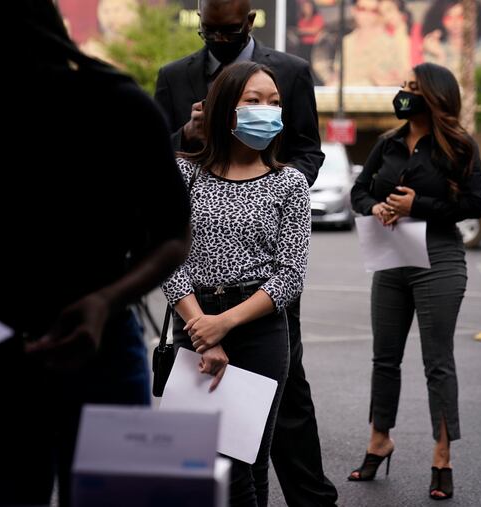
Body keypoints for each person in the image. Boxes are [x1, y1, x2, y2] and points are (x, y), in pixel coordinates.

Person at [0, 1, 191, 505]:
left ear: (14, 25)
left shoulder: (118, 106)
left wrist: (105, 301)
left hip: (100, 348)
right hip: (1, 357)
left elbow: (173, 237)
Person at [155, 2, 338, 506]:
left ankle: (313, 498)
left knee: (249, 453)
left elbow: (289, 274)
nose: (267, 111)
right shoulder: (184, 159)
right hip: (195, 319)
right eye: (254, 101)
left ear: (249, 22)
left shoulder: (289, 182)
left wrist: (227, 323)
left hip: (258, 317)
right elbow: (168, 250)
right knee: (201, 460)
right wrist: (202, 328)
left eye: (273, 102)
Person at [348, 62, 481, 500]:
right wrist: (376, 207)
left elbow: (475, 203)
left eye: (412, 88)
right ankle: (379, 439)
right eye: (403, 86)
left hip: (439, 259)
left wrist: (417, 206)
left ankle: (442, 456)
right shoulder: (388, 143)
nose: (403, 93)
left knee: (437, 361)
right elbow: (359, 192)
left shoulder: (459, 146)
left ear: (435, 96)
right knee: (383, 357)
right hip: (390, 258)